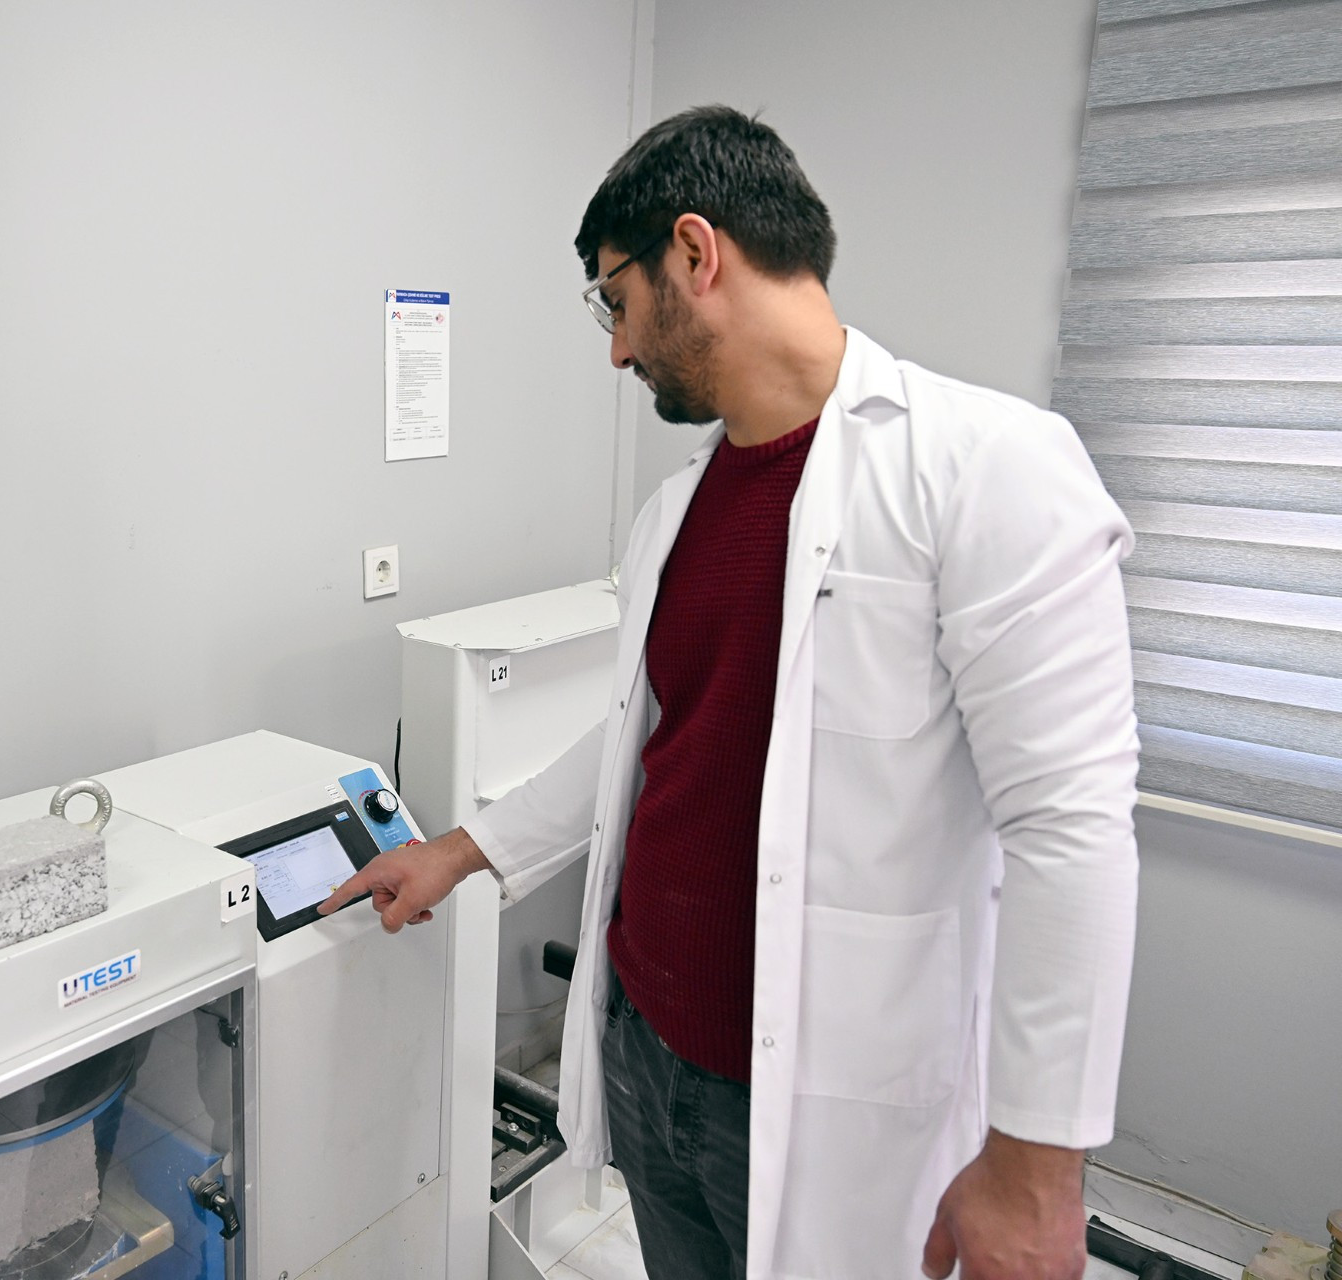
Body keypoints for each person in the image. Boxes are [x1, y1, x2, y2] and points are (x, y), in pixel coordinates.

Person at [319, 105, 1140, 1280]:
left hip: (821, 1101)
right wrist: (456, 851)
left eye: (615, 299)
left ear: (696, 253)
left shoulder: (986, 468)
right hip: (648, 1056)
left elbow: (1072, 829)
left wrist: (1037, 1165)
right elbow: (640, 743)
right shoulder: (677, 509)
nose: (616, 350)